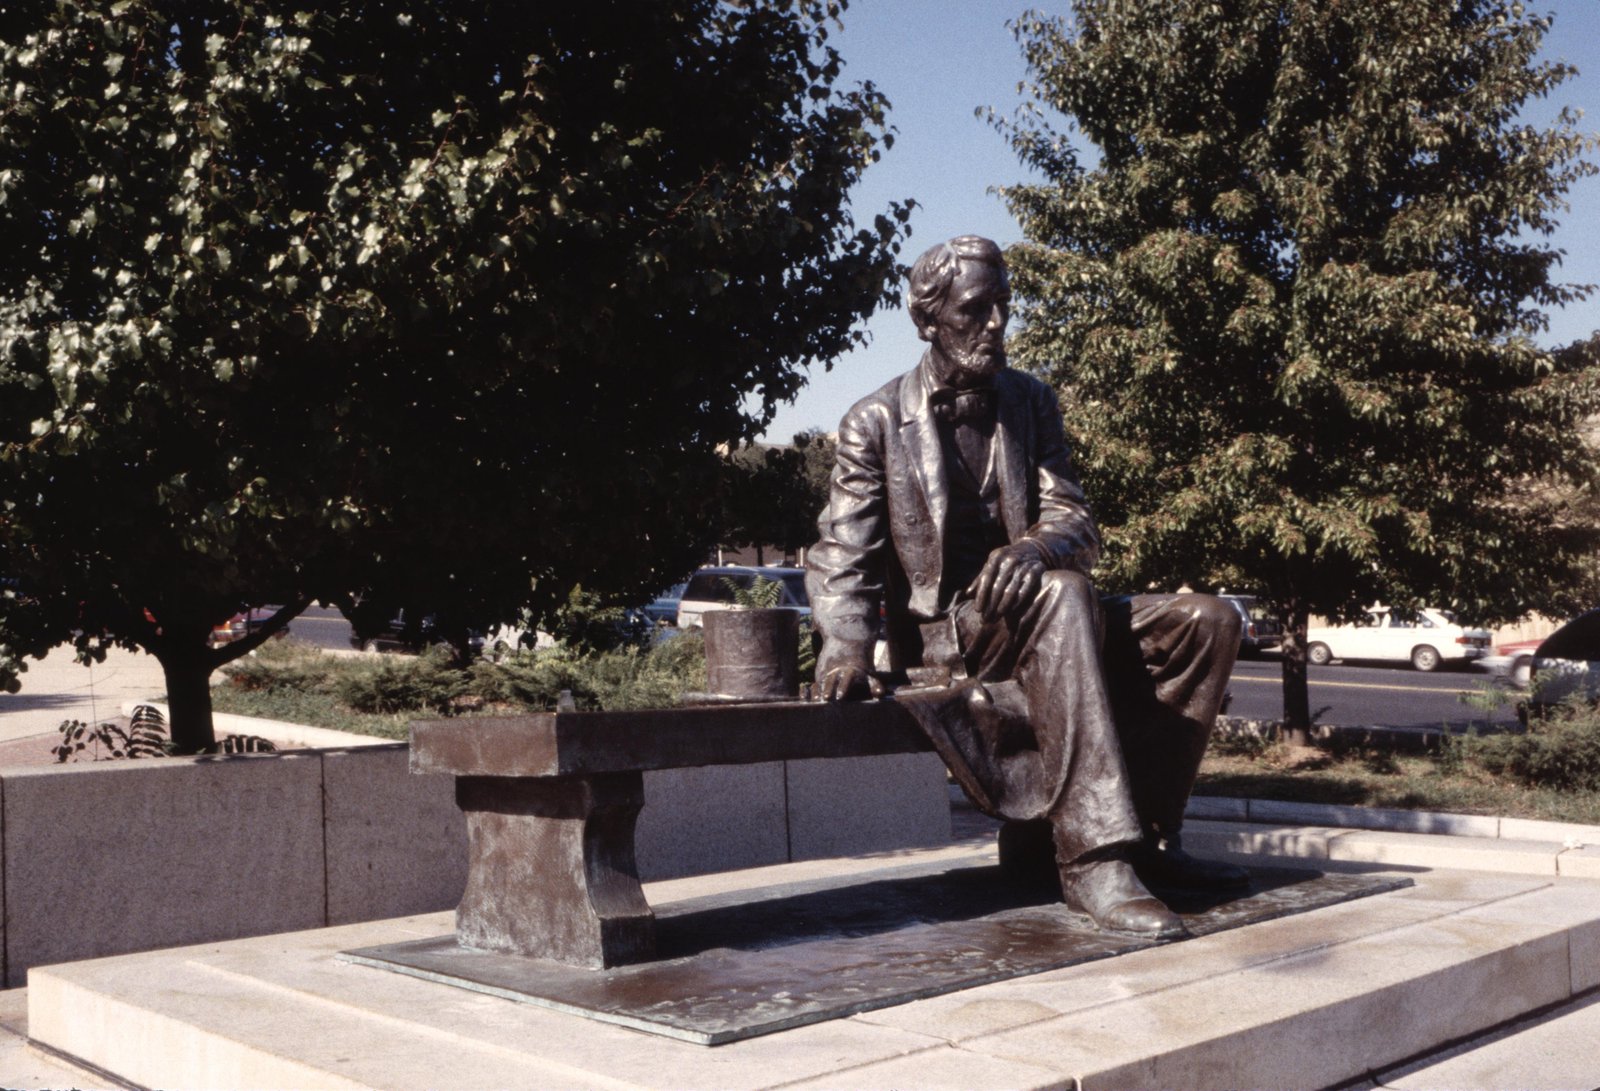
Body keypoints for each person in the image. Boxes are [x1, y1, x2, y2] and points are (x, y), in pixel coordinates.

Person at [807, 235, 1245, 937]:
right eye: (975, 310)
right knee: (1064, 592)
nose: (997, 325)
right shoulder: (876, 421)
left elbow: (1073, 518)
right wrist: (846, 648)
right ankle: (1095, 859)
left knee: (1208, 619)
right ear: (928, 319)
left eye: (1004, 307)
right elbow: (844, 550)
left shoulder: (1030, 401)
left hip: (1046, 614)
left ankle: (1151, 841)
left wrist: (1034, 547)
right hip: (951, 638)